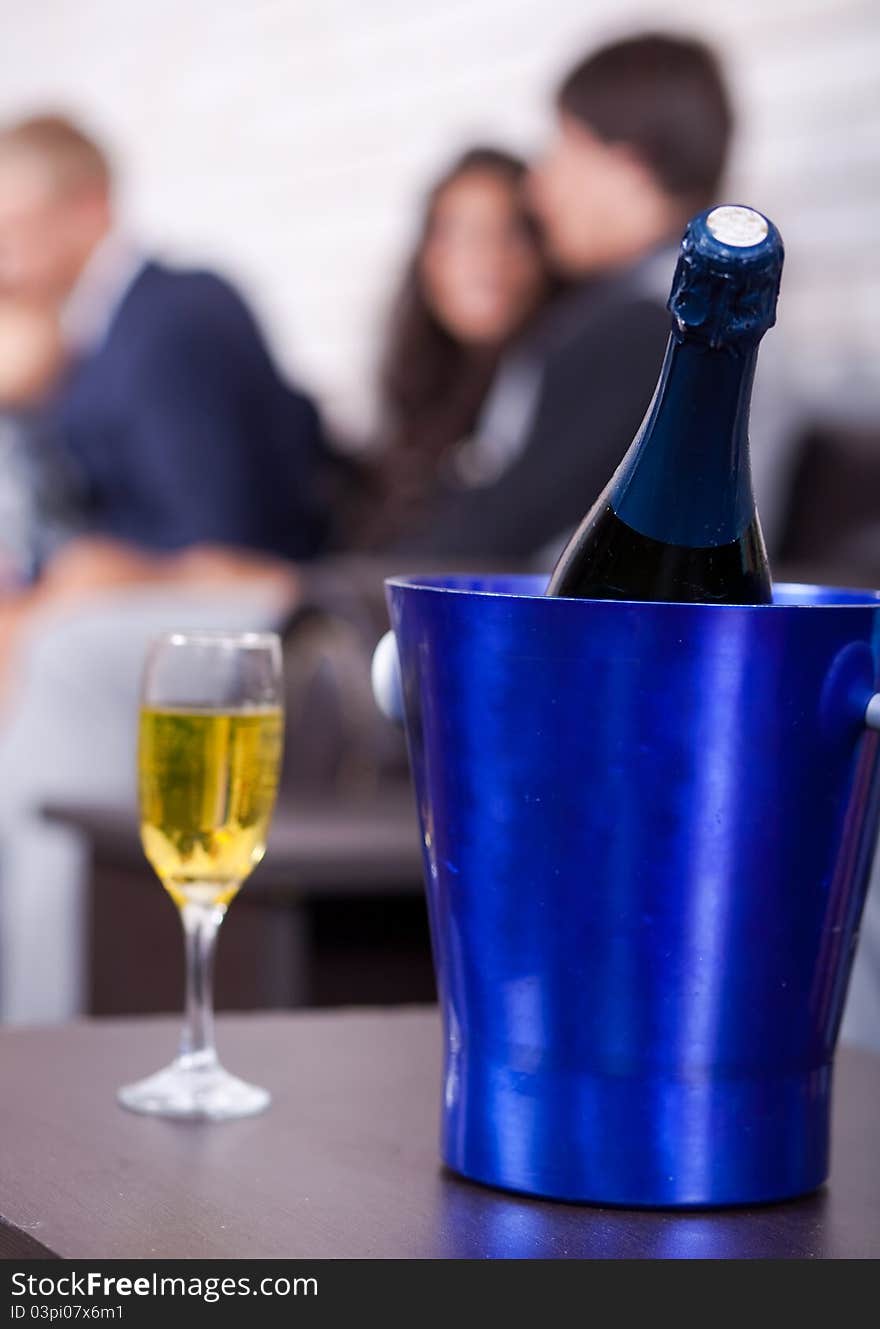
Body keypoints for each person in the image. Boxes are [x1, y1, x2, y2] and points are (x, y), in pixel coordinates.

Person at [397, 33, 802, 560]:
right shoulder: (677, 312)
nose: (539, 189)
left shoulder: (663, 326)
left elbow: (504, 526)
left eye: (565, 149)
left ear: (628, 166)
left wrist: (326, 591)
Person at [0, 114, 329, 565]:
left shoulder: (174, 320)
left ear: (89, 208)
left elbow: (212, 536)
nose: (4, 253)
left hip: (228, 602)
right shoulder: (90, 331)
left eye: (12, 225)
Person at [351, 146, 555, 549]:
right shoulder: (415, 394)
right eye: (458, 235)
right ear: (427, 257)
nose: (484, 259)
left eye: (509, 232)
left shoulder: (553, 385)